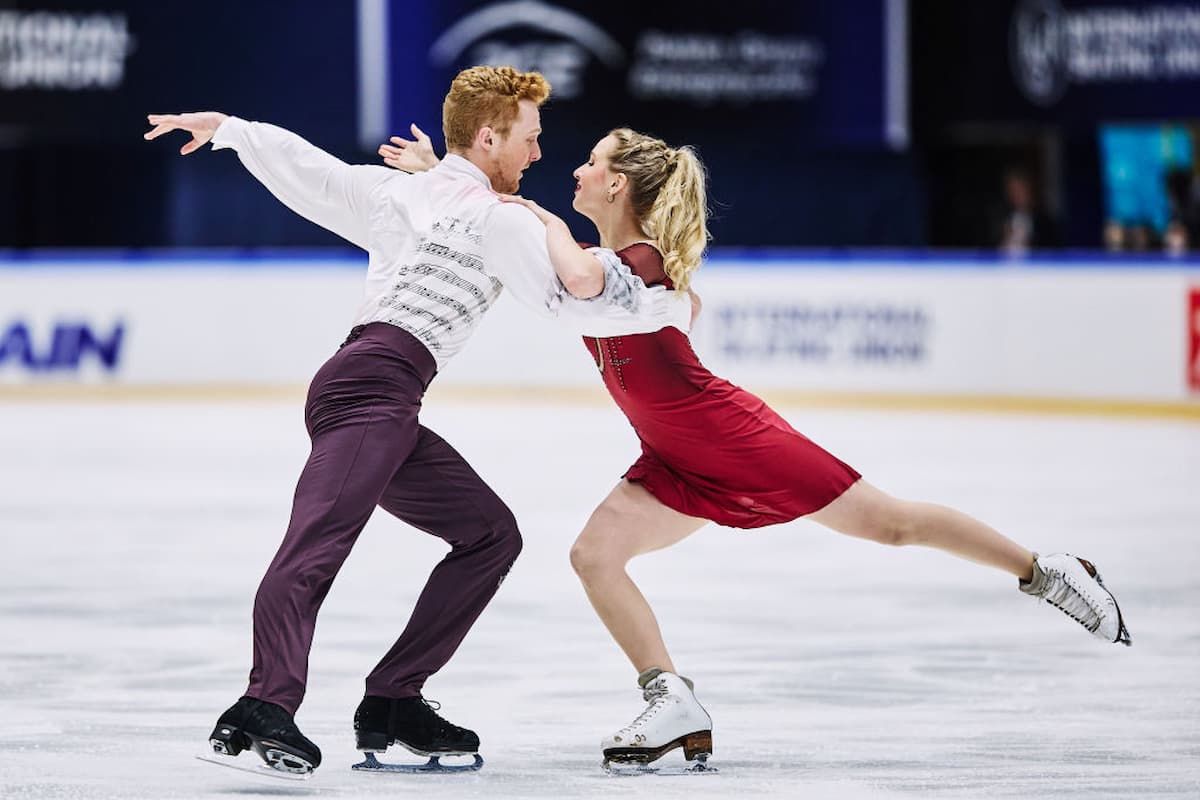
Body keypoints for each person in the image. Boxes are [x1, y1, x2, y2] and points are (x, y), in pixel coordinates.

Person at [383, 126, 1132, 771]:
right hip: (673, 460)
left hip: (735, 439)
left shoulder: (640, 262)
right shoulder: (619, 265)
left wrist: (532, 212)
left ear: (615, 185)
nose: (574, 169)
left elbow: (577, 273)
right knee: (593, 556)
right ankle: (670, 699)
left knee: (892, 524)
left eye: (588, 161)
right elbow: (533, 249)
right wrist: (451, 183)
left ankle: (1049, 572)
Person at [142, 66, 694, 776]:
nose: (538, 155)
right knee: (316, 546)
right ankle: (263, 705)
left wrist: (233, 132)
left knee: (489, 535)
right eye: (529, 139)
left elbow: (315, 174)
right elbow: (571, 299)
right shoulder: (498, 217)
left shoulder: (403, 191)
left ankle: (394, 699)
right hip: (372, 385)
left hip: (381, 392)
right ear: (490, 136)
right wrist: (655, 294)